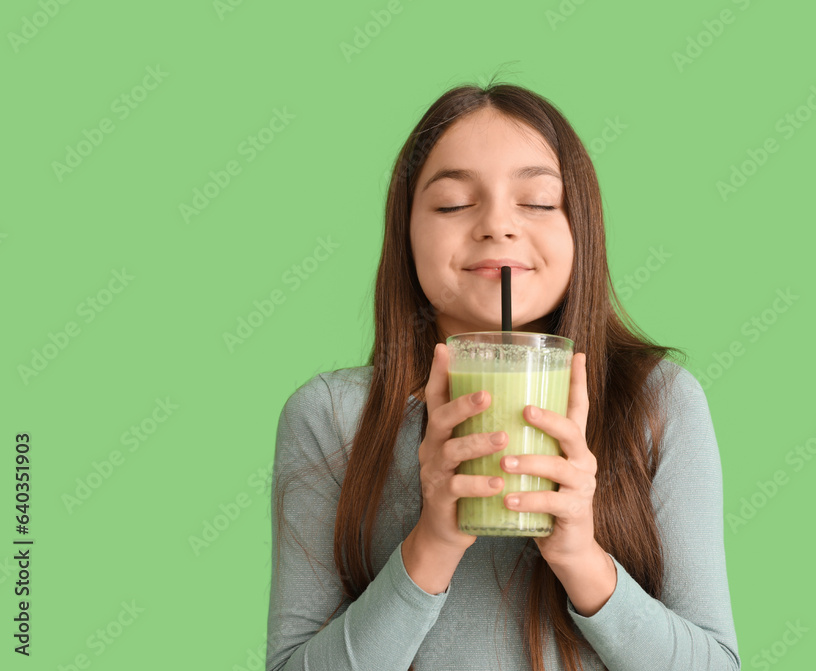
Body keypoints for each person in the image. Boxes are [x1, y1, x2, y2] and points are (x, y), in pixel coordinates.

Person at [266, 78, 741, 671]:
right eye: (452, 204)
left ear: (580, 230)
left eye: (538, 202)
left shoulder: (657, 402)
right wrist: (432, 542)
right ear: (406, 232)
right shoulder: (333, 417)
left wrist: (579, 557)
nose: (497, 225)